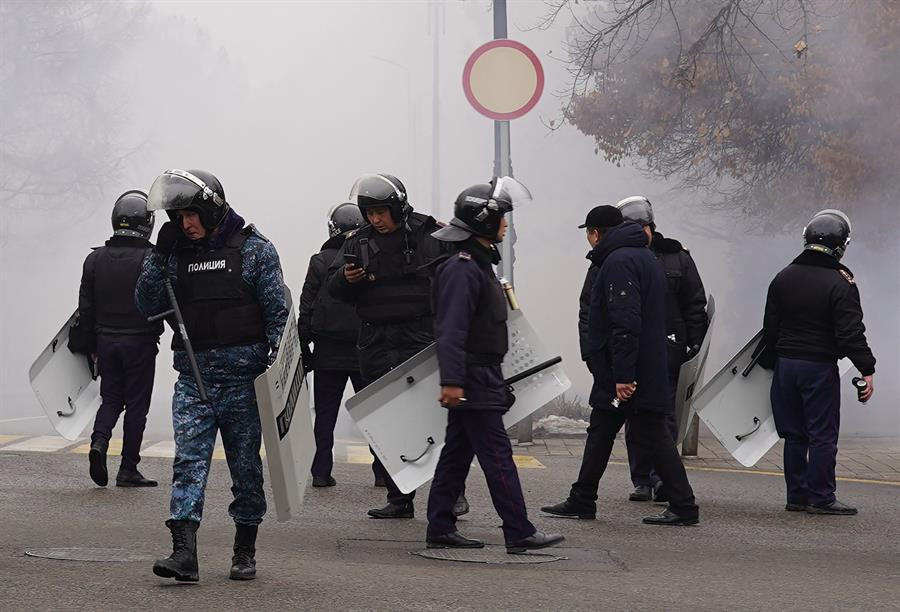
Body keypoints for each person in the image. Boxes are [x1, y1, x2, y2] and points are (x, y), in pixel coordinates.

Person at [137, 169, 288, 582]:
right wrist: (156, 258)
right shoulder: (173, 254)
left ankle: (244, 550)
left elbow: (278, 314)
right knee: (188, 462)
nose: (185, 224)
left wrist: (281, 372)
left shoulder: (255, 250)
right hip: (194, 380)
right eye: (178, 217)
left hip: (244, 382)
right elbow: (145, 303)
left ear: (212, 209)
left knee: (245, 469)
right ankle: (184, 553)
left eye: (192, 215)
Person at [425, 179, 564, 553]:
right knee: (498, 456)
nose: (506, 224)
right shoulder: (463, 268)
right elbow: (451, 331)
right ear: (483, 221)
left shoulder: (476, 263)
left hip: (479, 373)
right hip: (472, 376)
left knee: (456, 454)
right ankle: (518, 531)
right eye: (501, 217)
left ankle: (440, 525)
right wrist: (453, 381)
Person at [541, 206, 699, 526]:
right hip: (628, 368)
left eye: (588, 233)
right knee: (601, 431)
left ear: (596, 233)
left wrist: (623, 377)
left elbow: (624, 322)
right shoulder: (643, 256)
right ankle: (582, 498)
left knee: (654, 433)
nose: (587, 240)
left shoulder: (618, 261)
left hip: (629, 372)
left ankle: (684, 505)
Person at [328, 173, 467, 519]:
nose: (376, 219)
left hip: (420, 338)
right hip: (376, 341)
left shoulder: (430, 234)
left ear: (398, 208)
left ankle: (452, 494)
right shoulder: (357, 242)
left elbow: (459, 275)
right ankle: (399, 497)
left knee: (433, 421)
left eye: (382, 212)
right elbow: (332, 289)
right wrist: (346, 280)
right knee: (388, 423)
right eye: (370, 213)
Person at [760, 209, 875, 515]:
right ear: (840, 245)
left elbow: (770, 329)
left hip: (786, 365)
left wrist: (775, 363)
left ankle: (796, 496)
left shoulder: (783, 276)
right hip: (818, 367)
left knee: (795, 435)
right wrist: (868, 368)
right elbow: (851, 332)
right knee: (822, 435)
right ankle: (821, 497)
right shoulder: (841, 282)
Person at [615, 196, 708, 503]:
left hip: (667, 348)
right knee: (634, 418)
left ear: (651, 227)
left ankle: (662, 479)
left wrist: (695, 341)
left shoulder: (677, 258)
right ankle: (641, 478)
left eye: (642, 227)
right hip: (633, 347)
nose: (639, 233)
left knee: (663, 416)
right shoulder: (621, 258)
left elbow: (695, 303)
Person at [78, 190, 163, 488]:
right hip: (140, 343)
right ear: (147, 222)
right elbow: (165, 302)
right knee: (137, 405)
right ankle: (128, 468)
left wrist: (89, 347)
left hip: (105, 342)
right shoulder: (153, 259)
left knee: (111, 399)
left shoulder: (94, 260)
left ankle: (98, 443)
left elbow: (85, 311)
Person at [299, 202, 366, 488]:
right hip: (365, 350)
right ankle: (382, 474)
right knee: (373, 413)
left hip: (327, 352)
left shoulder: (319, 261)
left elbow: (307, 308)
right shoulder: (369, 256)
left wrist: (304, 349)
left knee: (325, 414)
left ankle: (320, 472)